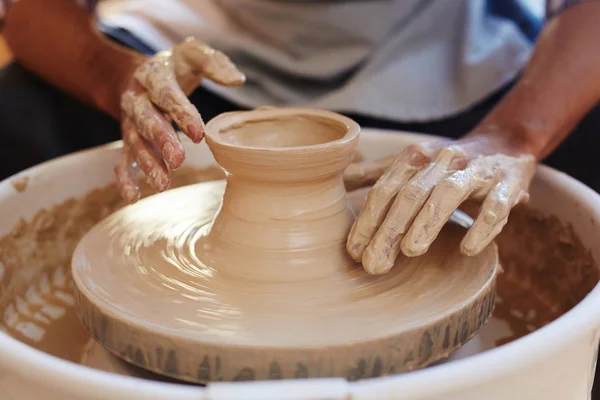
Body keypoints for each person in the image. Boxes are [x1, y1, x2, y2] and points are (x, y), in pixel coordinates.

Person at [2, 0, 600, 395]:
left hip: (447, 60)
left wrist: (513, 134)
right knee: (20, 114)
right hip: (198, 58)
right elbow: (32, 11)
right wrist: (114, 75)